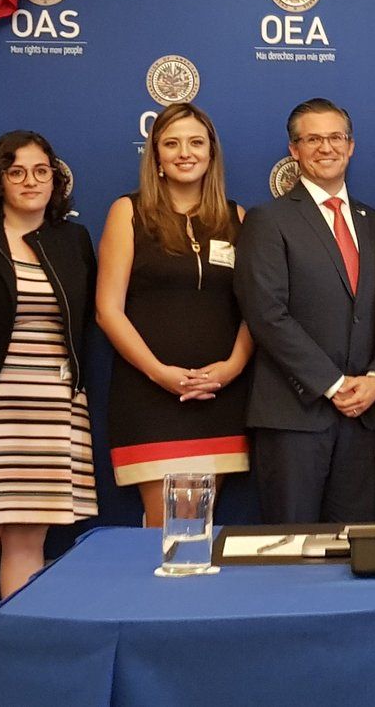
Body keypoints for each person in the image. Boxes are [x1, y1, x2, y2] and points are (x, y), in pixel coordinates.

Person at [0, 132, 97, 703]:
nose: (31, 182)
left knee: (28, 536)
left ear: (56, 179)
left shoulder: (72, 239)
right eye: (16, 172)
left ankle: (15, 654)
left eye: (41, 171)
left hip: (50, 403)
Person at [235, 98, 375, 523]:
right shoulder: (267, 220)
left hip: (364, 417)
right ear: (294, 150)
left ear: (352, 146)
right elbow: (267, 312)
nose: (326, 148)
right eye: (313, 139)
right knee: (292, 554)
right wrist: (333, 383)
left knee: (352, 554)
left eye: (335, 137)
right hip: (295, 416)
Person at [97, 103, 252, 527]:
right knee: (169, 524)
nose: (185, 152)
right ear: (157, 157)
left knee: (198, 523)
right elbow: (107, 310)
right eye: (172, 143)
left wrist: (232, 367)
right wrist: (159, 373)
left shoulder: (237, 219)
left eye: (196, 142)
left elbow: (255, 313)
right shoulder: (128, 212)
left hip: (218, 396)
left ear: (212, 153)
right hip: (151, 395)